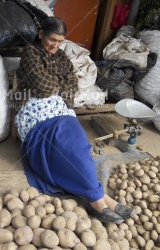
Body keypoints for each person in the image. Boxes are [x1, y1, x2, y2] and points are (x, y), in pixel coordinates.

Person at [15, 16, 136, 224]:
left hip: (61, 109)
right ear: (41, 34)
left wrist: (59, 85)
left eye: (60, 41)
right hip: (34, 110)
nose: (56, 45)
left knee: (78, 143)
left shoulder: (61, 56)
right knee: (60, 147)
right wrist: (59, 83)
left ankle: (99, 197)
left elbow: (72, 85)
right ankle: (100, 199)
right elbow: (42, 87)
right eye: (52, 40)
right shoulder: (30, 53)